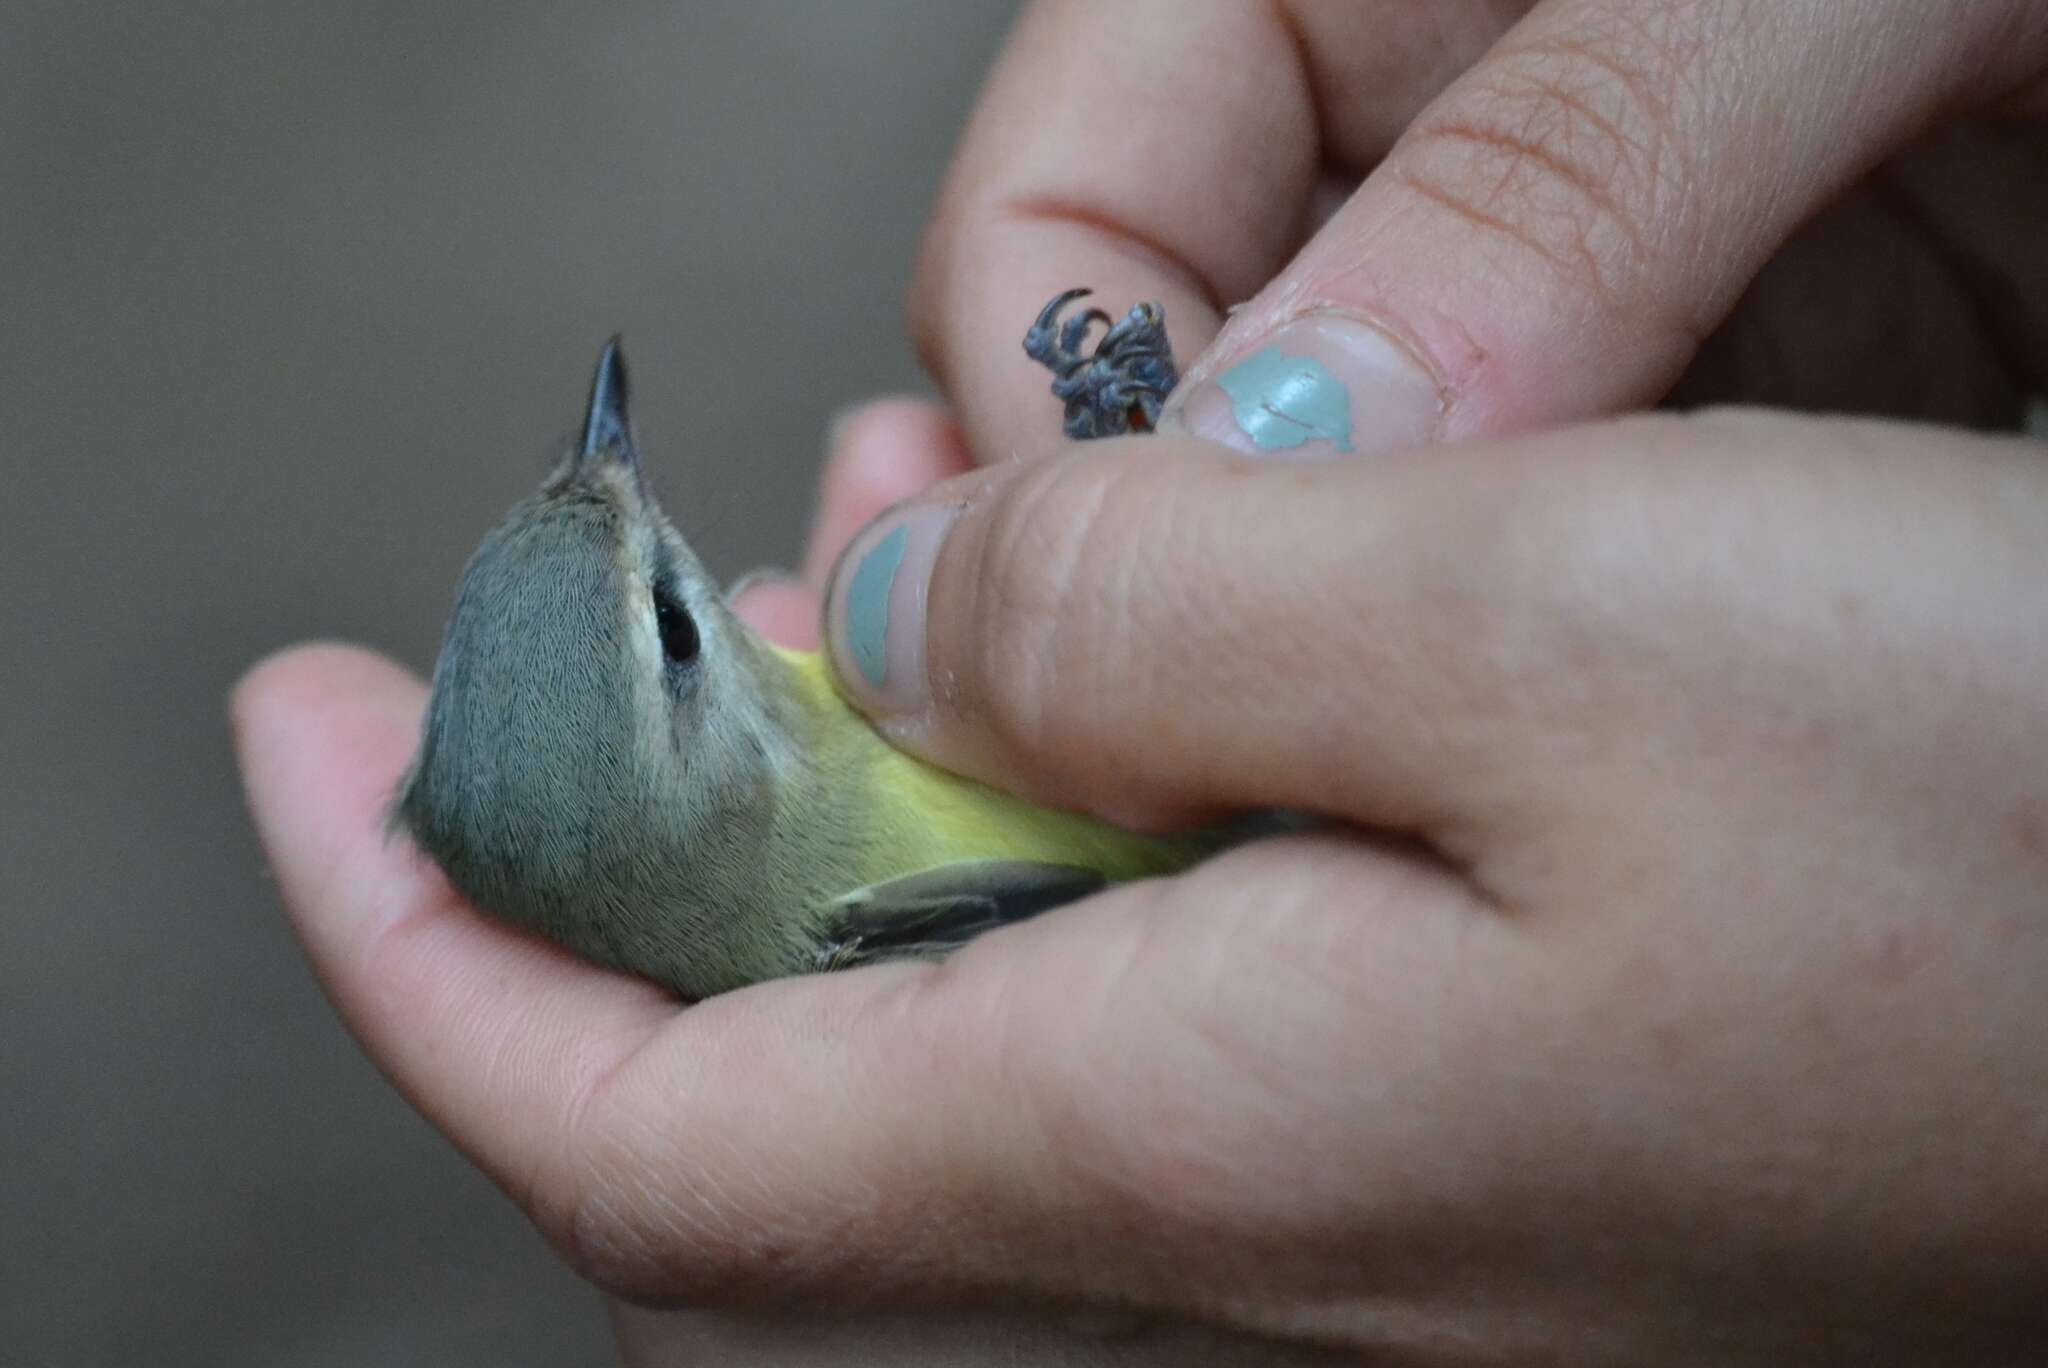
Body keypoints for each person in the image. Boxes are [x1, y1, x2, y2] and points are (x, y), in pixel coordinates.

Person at [234, 3, 2048, 1362]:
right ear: (701, 763)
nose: (666, 522)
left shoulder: (791, 695)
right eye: (673, 620)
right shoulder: (822, 902)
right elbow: (1206, 866)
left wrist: (1131, 461)